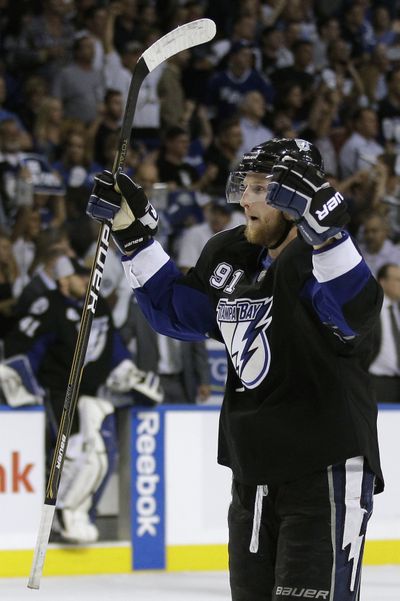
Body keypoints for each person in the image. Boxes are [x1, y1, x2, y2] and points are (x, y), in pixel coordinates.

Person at [87, 138, 384, 600]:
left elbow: (354, 316)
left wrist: (329, 237)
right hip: (252, 473)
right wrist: (132, 236)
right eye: (244, 186)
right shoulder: (232, 254)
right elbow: (175, 309)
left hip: (323, 466)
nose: (245, 199)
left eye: (261, 188)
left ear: (297, 196)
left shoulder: (321, 262)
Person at [2, 255, 163, 544]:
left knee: (101, 456)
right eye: (79, 277)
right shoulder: (49, 306)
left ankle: (79, 514)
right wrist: (22, 380)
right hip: (58, 394)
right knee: (70, 452)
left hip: (93, 397)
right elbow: (23, 347)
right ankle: (56, 517)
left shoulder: (97, 305)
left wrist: (129, 373)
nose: (87, 280)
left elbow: (113, 350)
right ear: (64, 280)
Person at [369, 263, 400, 403]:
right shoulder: (370, 310)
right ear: (383, 281)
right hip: (377, 382)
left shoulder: (397, 310)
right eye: (398, 280)